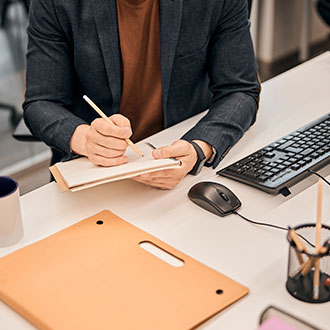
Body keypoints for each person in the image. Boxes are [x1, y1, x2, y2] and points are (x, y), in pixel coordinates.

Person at [23, 0, 260, 190]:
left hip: (182, 166)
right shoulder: (56, 4)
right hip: (94, 173)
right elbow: (41, 102)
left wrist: (198, 149)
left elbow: (240, 89)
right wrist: (84, 139)